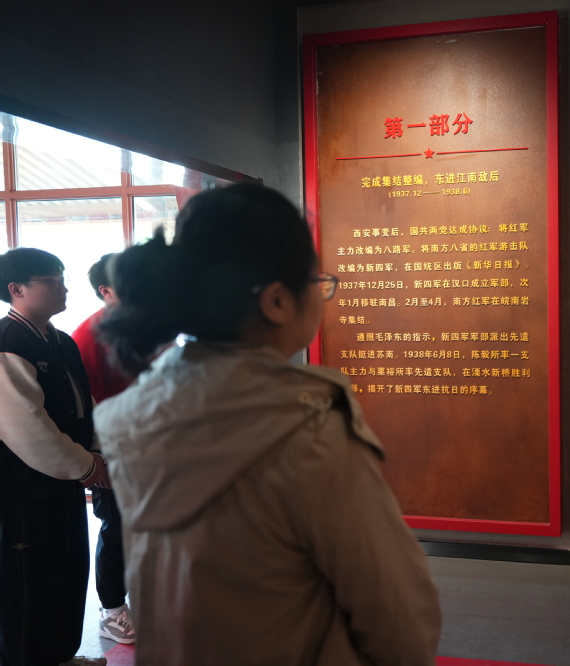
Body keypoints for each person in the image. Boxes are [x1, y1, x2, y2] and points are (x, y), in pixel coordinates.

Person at [93, 184, 441, 666]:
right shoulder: (309, 431)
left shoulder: (132, 418)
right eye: (317, 281)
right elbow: (398, 617)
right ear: (277, 301)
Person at [0, 247, 110, 666]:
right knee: (29, 588)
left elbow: (85, 405)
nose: (63, 287)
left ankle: (61, 656)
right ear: (16, 289)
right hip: (25, 492)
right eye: (51, 280)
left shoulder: (60, 340)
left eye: (62, 278)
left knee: (65, 576)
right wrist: (85, 465)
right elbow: (26, 428)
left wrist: (95, 451)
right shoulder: (9, 342)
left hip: (65, 484)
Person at [71, 254, 136, 646]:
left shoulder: (144, 327)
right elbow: (88, 407)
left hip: (152, 447)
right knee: (118, 530)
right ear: (105, 290)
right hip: (114, 452)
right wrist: (101, 461)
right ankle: (111, 611)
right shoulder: (88, 336)